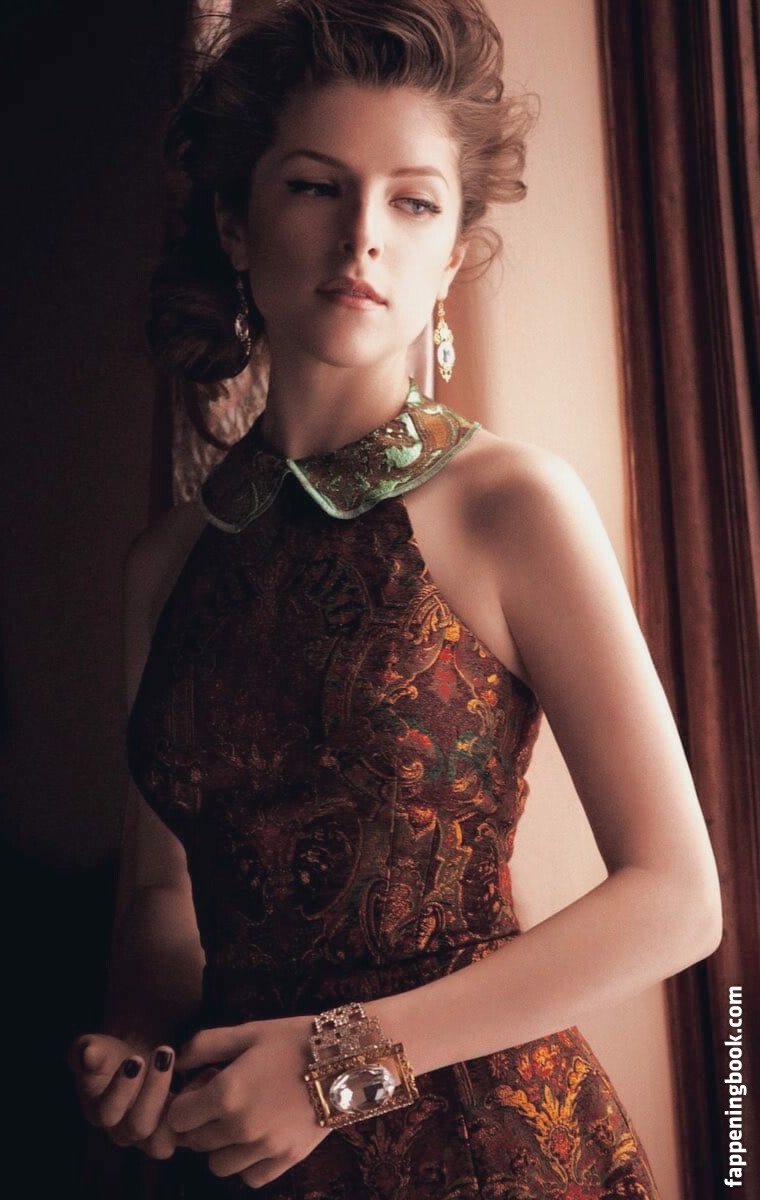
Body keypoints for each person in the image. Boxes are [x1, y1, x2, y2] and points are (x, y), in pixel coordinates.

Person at [67, 1, 723, 1196]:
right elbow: (161, 900)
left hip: (489, 1149)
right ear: (237, 221)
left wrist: (334, 1070)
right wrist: (139, 1055)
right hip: (248, 1164)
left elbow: (675, 902)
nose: (361, 236)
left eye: (412, 202)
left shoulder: (507, 503)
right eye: (315, 187)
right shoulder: (164, 565)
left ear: (453, 253)